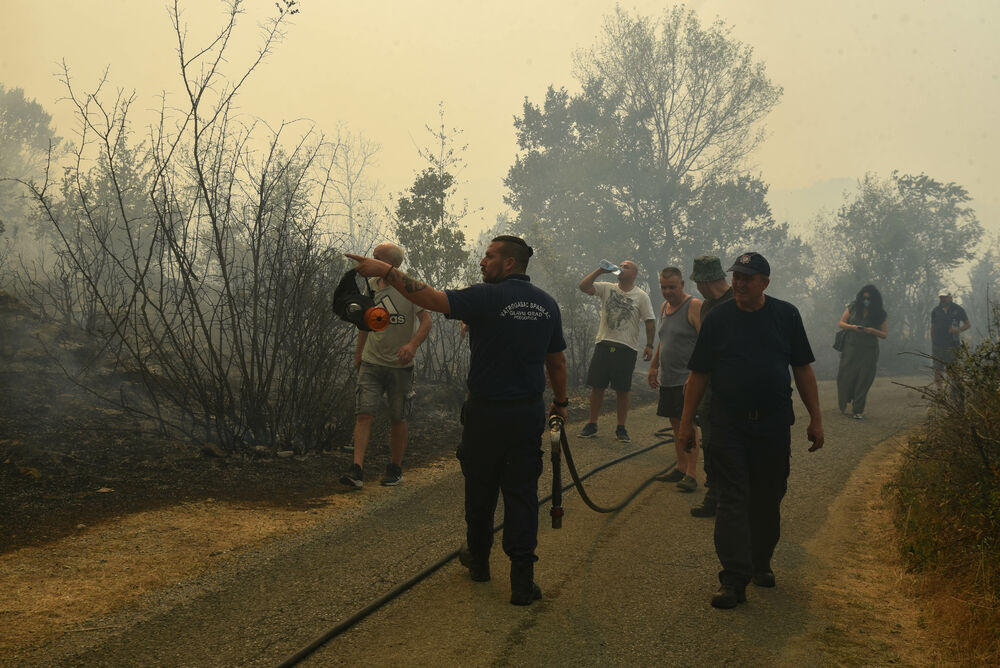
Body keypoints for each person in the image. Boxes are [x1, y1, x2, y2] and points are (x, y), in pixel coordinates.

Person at [345, 235, 568, 607]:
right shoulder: (547, 304)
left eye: (490, 256)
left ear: (509, 264)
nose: (482, 261)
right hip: (526, 414)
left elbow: (428, 298)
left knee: (480, 488)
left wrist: (385, 271)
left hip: (485, 414)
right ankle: (522, 582)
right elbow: (556, 362)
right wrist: (560, 403)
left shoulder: (485, 296)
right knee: (522, 493)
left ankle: (479, 562)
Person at [676, 251, 824, 610]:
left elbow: (802, 369)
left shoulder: (786, 316)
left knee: (768, 497)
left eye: (748, 278)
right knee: (731, 500)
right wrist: (686, 424)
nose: (739, 283)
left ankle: (761, 561)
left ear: (765, 283)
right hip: (728, 425)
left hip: (773, 424)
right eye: (737, 277)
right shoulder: (717, 318)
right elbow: (699, 376)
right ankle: (733, 579)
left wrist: (815, 418)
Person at [340, 243, 433, 489]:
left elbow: (426, 321)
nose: (371, 262)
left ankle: (395, 467)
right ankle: (357, 470)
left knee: (397, 417)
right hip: (372, 361)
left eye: (377, 258)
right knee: (364, 413)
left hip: (400, 366)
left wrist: (412, 346)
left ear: (391, 264)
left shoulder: (411, 287)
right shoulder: (369, 287)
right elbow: (364, 323)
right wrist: (359, 354)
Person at [578, 259, 655, 442]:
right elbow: (583, 287)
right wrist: (599, 270)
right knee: (597, 387)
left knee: (622, 390)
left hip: (626, 349)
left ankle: (621, 428)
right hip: (604, 344)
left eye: (626, 266)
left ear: (634, 274)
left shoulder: (641, 296)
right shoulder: (607, 287)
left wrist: (649, 345)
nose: (622, 267)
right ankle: (592, 423)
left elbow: (650, 321)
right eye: (621, 265)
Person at [686, 256, 733, 518]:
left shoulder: (737, 301)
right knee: (710, 440)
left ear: (705, 281)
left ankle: (729, 497)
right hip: (709, 383)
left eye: (698, 282)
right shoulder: (705, 307)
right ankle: (714, 494)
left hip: (731, 385)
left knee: (728, 442)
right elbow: (703, 348)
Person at [648, 267, 702, 492]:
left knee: (688, 425)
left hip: (687, 379)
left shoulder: (694, 306)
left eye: (671, 287)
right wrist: (654, 366)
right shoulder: (663, 307)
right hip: (669, 378)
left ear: (682, 285)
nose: (667, 291)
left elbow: (704, 342)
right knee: (675, 423)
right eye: (663, 287)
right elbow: (664, 339)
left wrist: (697, 375)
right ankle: (680, 467)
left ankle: (691, 473)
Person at [836, 285, 888, 419]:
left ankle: (858, 409)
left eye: (869, 298)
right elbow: (841, 323)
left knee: (864, 379)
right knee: (845, 376)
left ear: (875, 300)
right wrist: (852, 327)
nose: (866, 300)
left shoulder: (880, 313)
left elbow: (884, 334)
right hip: (851, 348)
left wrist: (872, 330)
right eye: (864, 298)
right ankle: (843, 404)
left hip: (869, 350)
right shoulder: (853, 307)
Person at [930, 288, 970, 384]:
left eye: (945, 297)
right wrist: (933, 343)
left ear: (950, 297)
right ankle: (940, 393)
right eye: (941, 297)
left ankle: (954, 391)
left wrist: (958, 330)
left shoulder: (958, 309)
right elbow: (932, 327)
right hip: (938, 345)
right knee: (937, 369)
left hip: (953, 344)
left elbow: (968, 324)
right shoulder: (935, 311)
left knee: (953, 370)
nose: (943, 299)